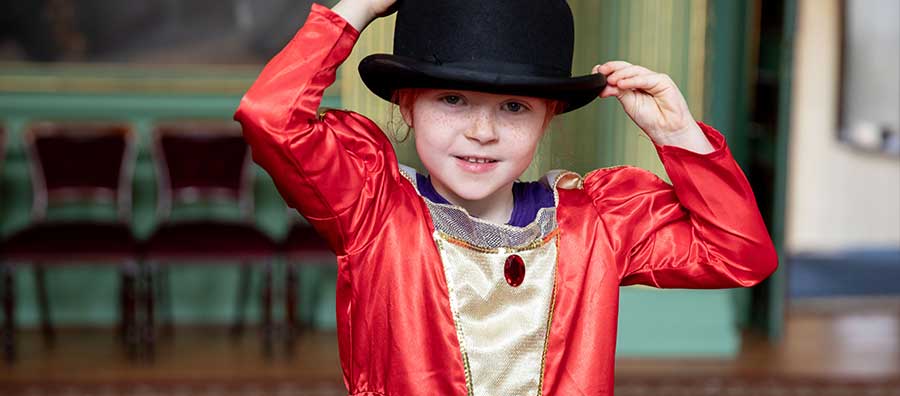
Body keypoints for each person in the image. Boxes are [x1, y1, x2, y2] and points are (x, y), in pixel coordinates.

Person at [234, 0, 778, 394]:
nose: (482, 131)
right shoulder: (374, 207)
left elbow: (739, 254)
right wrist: (356, 9)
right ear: (407, 105)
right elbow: (270, 117)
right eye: (453, 100)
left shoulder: (597, 223)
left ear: (548, 116)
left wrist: (679, 136)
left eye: (514, 107)